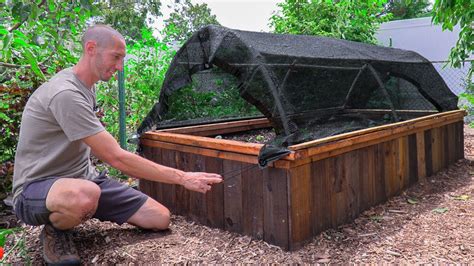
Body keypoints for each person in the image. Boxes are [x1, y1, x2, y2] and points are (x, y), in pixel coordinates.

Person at [12, 24, 222, 265]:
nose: (120, 66)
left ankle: (81, 207)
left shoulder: (86, 89)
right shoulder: (65, 94)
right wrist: (183, 177)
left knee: (159, 218)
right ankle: (56, 230)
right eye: (116, 57)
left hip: (83, 179)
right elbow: (116, 158)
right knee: (85, 195)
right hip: (36, 189)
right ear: (91, 48)